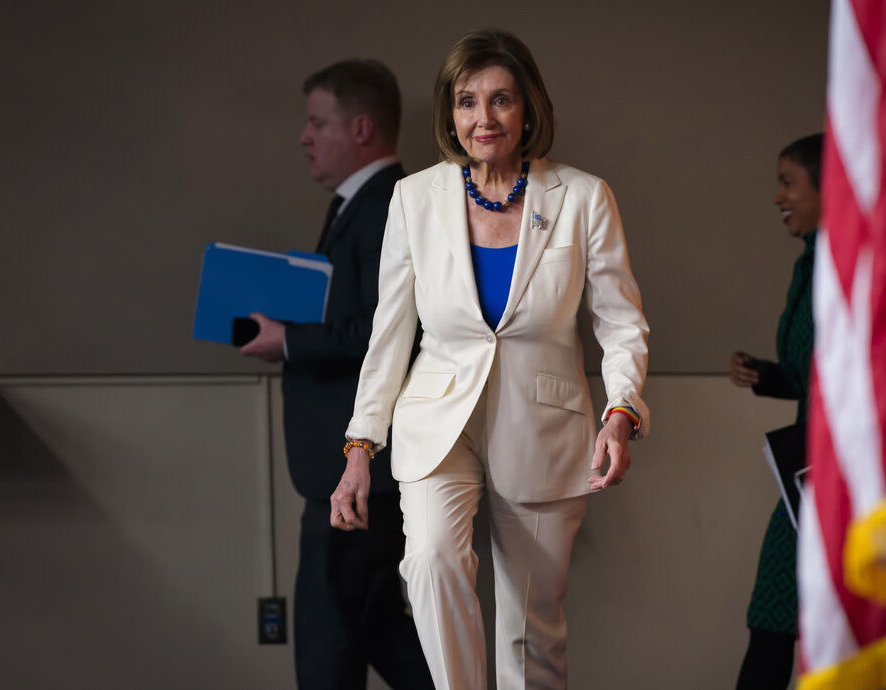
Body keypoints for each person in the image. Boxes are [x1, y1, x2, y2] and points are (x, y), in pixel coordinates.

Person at [329, 29, 650, 689]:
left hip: (544, 423)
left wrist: (622, 412)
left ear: (528, 108)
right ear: (450, 113)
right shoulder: (415, 198)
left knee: (531, 630)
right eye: (467, 101)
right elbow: (390, 332)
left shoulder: (584, 197)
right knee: (431, 565)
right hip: (436, 420)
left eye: (501, 99)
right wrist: (361, 445)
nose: (484, 118)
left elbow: (620, 322)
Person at [239, 59, 433, 690]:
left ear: (361, 128)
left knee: (336, 642)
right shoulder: (360, 204)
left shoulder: (385, 206)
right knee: (362, 630)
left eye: (317, 123)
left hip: (358, 474)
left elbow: (390, 328)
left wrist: (290, 341)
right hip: (349, 474)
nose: (305, 138)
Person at [730, 133, 823, 689]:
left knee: (779, 617)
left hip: (841, 471)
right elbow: (815, 372)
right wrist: (768, 375)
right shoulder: (809, 265)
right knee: (774, 612)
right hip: (808, 471)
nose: (777, 196)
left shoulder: (848, 265)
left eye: (789, 182)